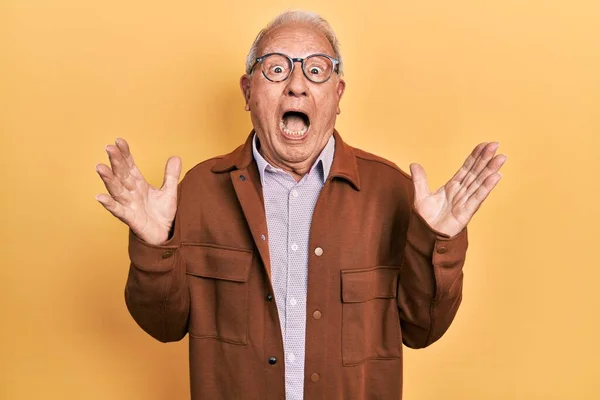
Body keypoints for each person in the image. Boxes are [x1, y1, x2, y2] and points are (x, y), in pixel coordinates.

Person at [95, 10, 506, 400]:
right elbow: (163, 325)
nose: (296, 84)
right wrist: (154, 247)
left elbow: (424, 329)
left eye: (316, 69)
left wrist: (441, 242)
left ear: (337, 93)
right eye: (276, 68)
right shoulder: (200, 191)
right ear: (247, 92)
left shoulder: (393, 192)